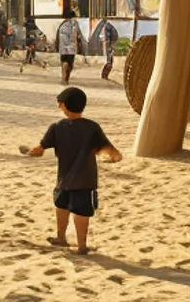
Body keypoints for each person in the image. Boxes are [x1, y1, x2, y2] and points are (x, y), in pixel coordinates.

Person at [21, 87, 123, 256]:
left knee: (61, 206)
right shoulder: (92, 128)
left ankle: (61, 238)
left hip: (64, 179)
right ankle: (82, 246)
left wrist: (28, 152)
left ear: (64, 105)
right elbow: (108, 149)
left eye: (60, 104)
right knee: (82, 212)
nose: (59, 106)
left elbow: (39, 149)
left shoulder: (57, 127)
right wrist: (115, 156)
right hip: (85, 180)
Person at [55, 9, 84, 86]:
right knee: (70, 63)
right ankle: (66, 78)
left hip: (63, 46)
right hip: (71, 47)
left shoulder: (62, 24)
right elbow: (78, 35)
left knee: (64, 61)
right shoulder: (74, 23)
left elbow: (58, 37)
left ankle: (64, 78)